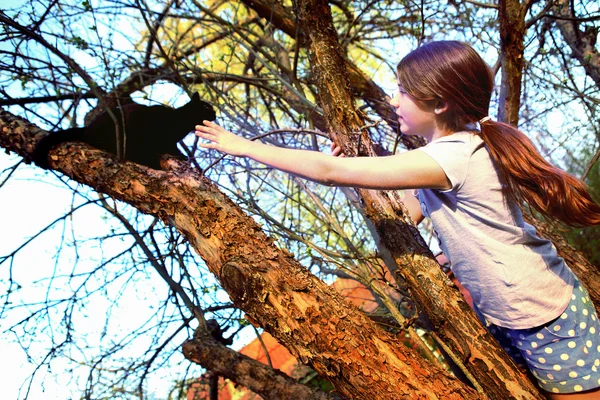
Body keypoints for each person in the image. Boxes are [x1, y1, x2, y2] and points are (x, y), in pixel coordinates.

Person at [195, 40, 600, 399]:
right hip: (510, 315)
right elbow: (405, 216)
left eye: (403, 92)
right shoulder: (442, 157)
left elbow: (328, 170)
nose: (393, 100)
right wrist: (353, 181)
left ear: (439, 103)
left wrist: (244, 147)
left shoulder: (454, 155)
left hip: (545, 314)